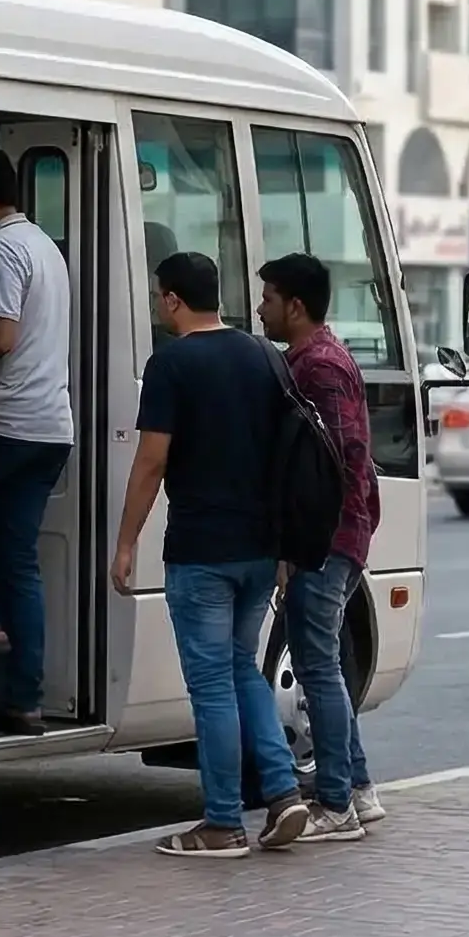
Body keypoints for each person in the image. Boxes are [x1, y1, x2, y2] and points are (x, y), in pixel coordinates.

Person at [113, 252, 310, 858]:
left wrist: (126, 542)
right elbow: (285, 455)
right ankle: (282, 792)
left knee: (211, 685)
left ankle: (223, 822)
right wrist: (285, 546)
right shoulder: (264, 355)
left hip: (201, 550)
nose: (158, 305)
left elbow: (152, 460)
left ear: (173, 299)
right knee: (242, 668)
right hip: (260, 548)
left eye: (158, 296)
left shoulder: (172, 363)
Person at [257, 253, 385, 840]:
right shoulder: (309, 360)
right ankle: (358, 788)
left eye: (269, 298)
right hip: (330, 535)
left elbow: (341, 462)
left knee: (316, 667)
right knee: (321, 661)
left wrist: (302, 542)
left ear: (296, 306)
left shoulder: (320, 368)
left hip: (326, 539)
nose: (261, 308)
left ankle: (335, 804)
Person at [0, 147, 72, 734]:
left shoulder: (0, 247)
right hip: (50, 426)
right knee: (18, 559)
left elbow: (2, 338)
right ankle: (26, 699)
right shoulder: (44, 246)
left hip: (6, 421)